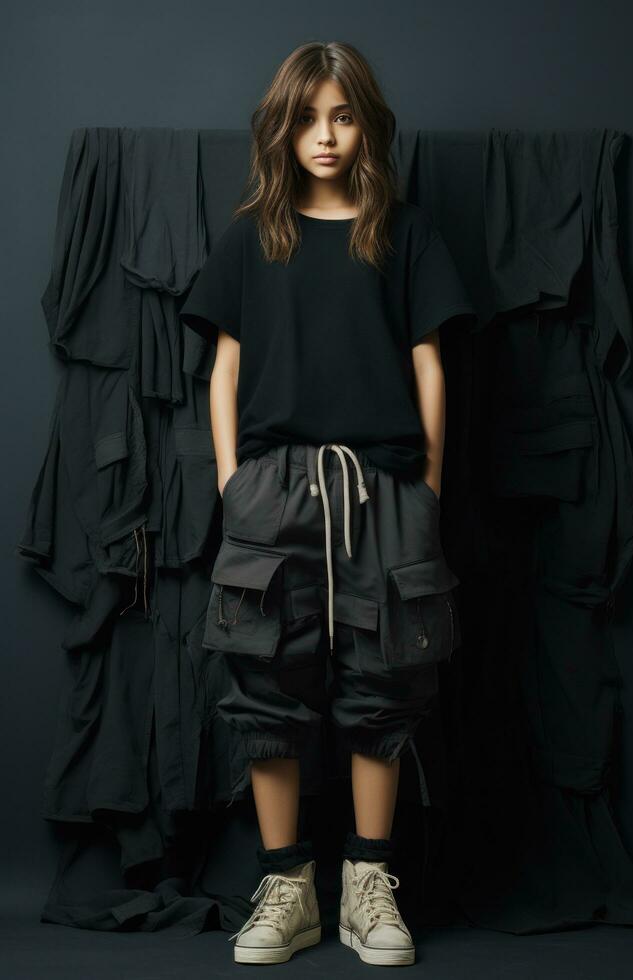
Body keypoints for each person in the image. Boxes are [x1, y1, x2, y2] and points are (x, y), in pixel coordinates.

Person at [180, 40, 475, 967]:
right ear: (282, 126)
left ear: (366, 126)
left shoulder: (403, 231)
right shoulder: (251, 235)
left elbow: (432, 363)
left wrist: (426, 486)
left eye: (342, 116)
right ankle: (285, 888)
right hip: (274, 494)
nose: (325, 135)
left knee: (384, 685)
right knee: (265, 687)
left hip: (383, 491)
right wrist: (233, 483)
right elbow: (223, 369)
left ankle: (368, 886)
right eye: (307, 117)